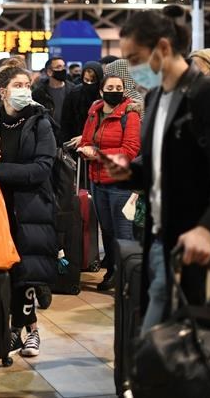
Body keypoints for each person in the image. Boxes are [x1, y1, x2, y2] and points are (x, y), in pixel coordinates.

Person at [105, 7, 210, 334]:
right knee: (161, 347)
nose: (131, 69)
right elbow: (160, 166)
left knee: (200, 351)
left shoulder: (209, 95)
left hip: (201, 248)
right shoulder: (156, 96)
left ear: (163, 48)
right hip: (161, 241)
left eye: (135, 58)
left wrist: (208, 229)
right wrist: (129, 172)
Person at [0, 65, 57, 357]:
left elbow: (43, 168)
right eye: (18, 85)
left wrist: (0, 172)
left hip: (31, 208)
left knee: (26, 272)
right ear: (3, 91)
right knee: (0, 269)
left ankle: (30, 330)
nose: (25, 91)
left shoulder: (40, 121)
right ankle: (8, 330)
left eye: (27, 85)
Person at [77, 75, 141, 291]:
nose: (115, 90)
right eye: (110, 87)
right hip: (97, 181)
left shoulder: (129, 115)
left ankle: (130, 280)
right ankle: (113, 273)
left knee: (124, 234)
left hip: (120, 184)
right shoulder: (94, 112)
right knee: (108, 231)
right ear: (102, 91)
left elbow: (130, 151)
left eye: (119, 87)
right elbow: (87, 139)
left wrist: (98, 154)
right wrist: (86, 150)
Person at [59, 61, 104, 146]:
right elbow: (66, 121)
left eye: (93, 81)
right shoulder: (75, 93)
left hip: (100, 142)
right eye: (86, 80)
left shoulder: (104, 94)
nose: (89, 84)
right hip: (75, 141)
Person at [32, 56, 76, 129]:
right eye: (59, 67)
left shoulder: (73, 90)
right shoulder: (39, 93)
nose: (63, 70)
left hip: (69, 134)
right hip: (47, 133)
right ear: (49, 72)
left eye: (64, 66)